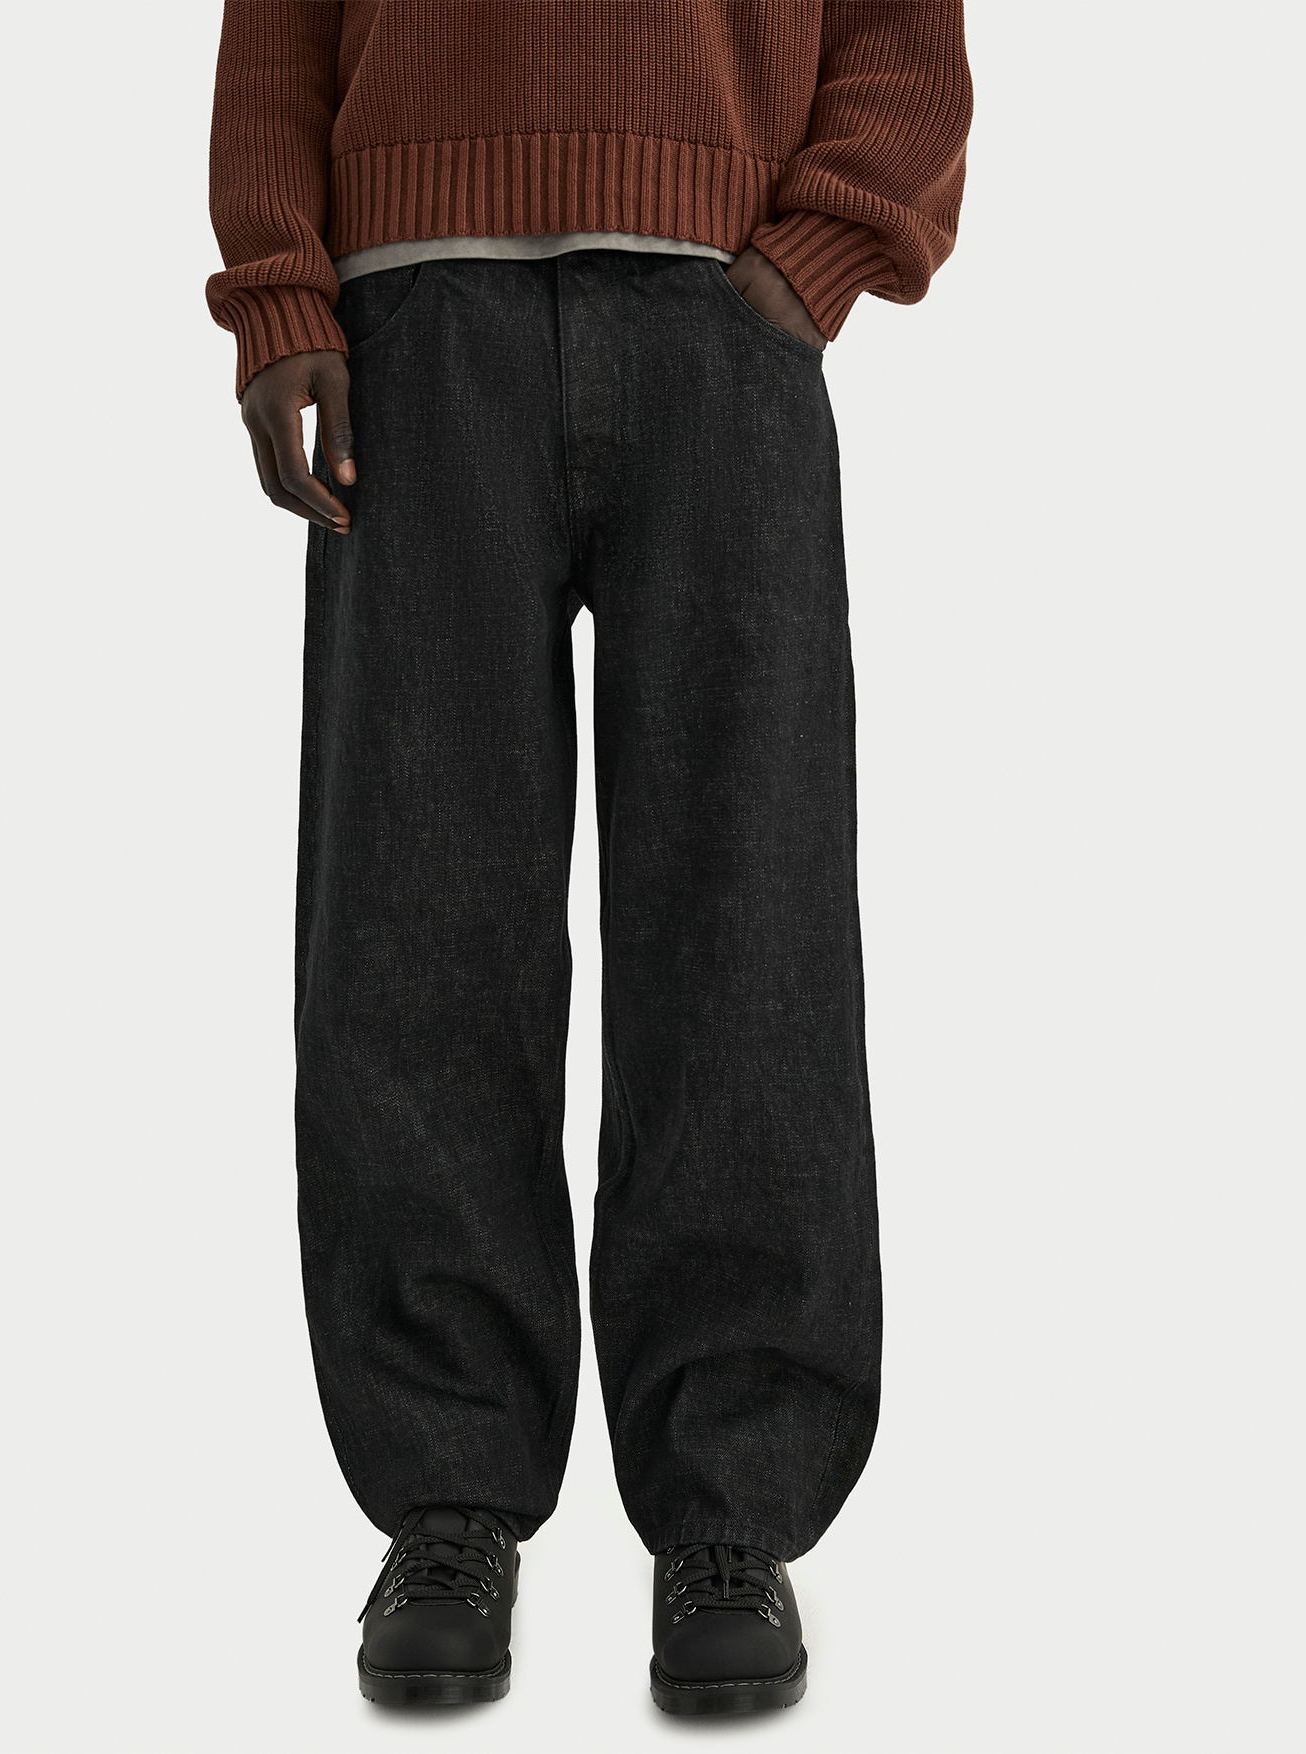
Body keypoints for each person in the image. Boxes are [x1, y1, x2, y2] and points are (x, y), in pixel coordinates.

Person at [207, 0, 971, 1717]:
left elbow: (902, 32)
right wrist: (280, 294)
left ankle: (730, 1504)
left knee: (746, 915)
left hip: (721, 316)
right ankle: (448, 1495)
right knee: (416, 916)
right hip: (414, 325)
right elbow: (278, 25)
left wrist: (818, 252)